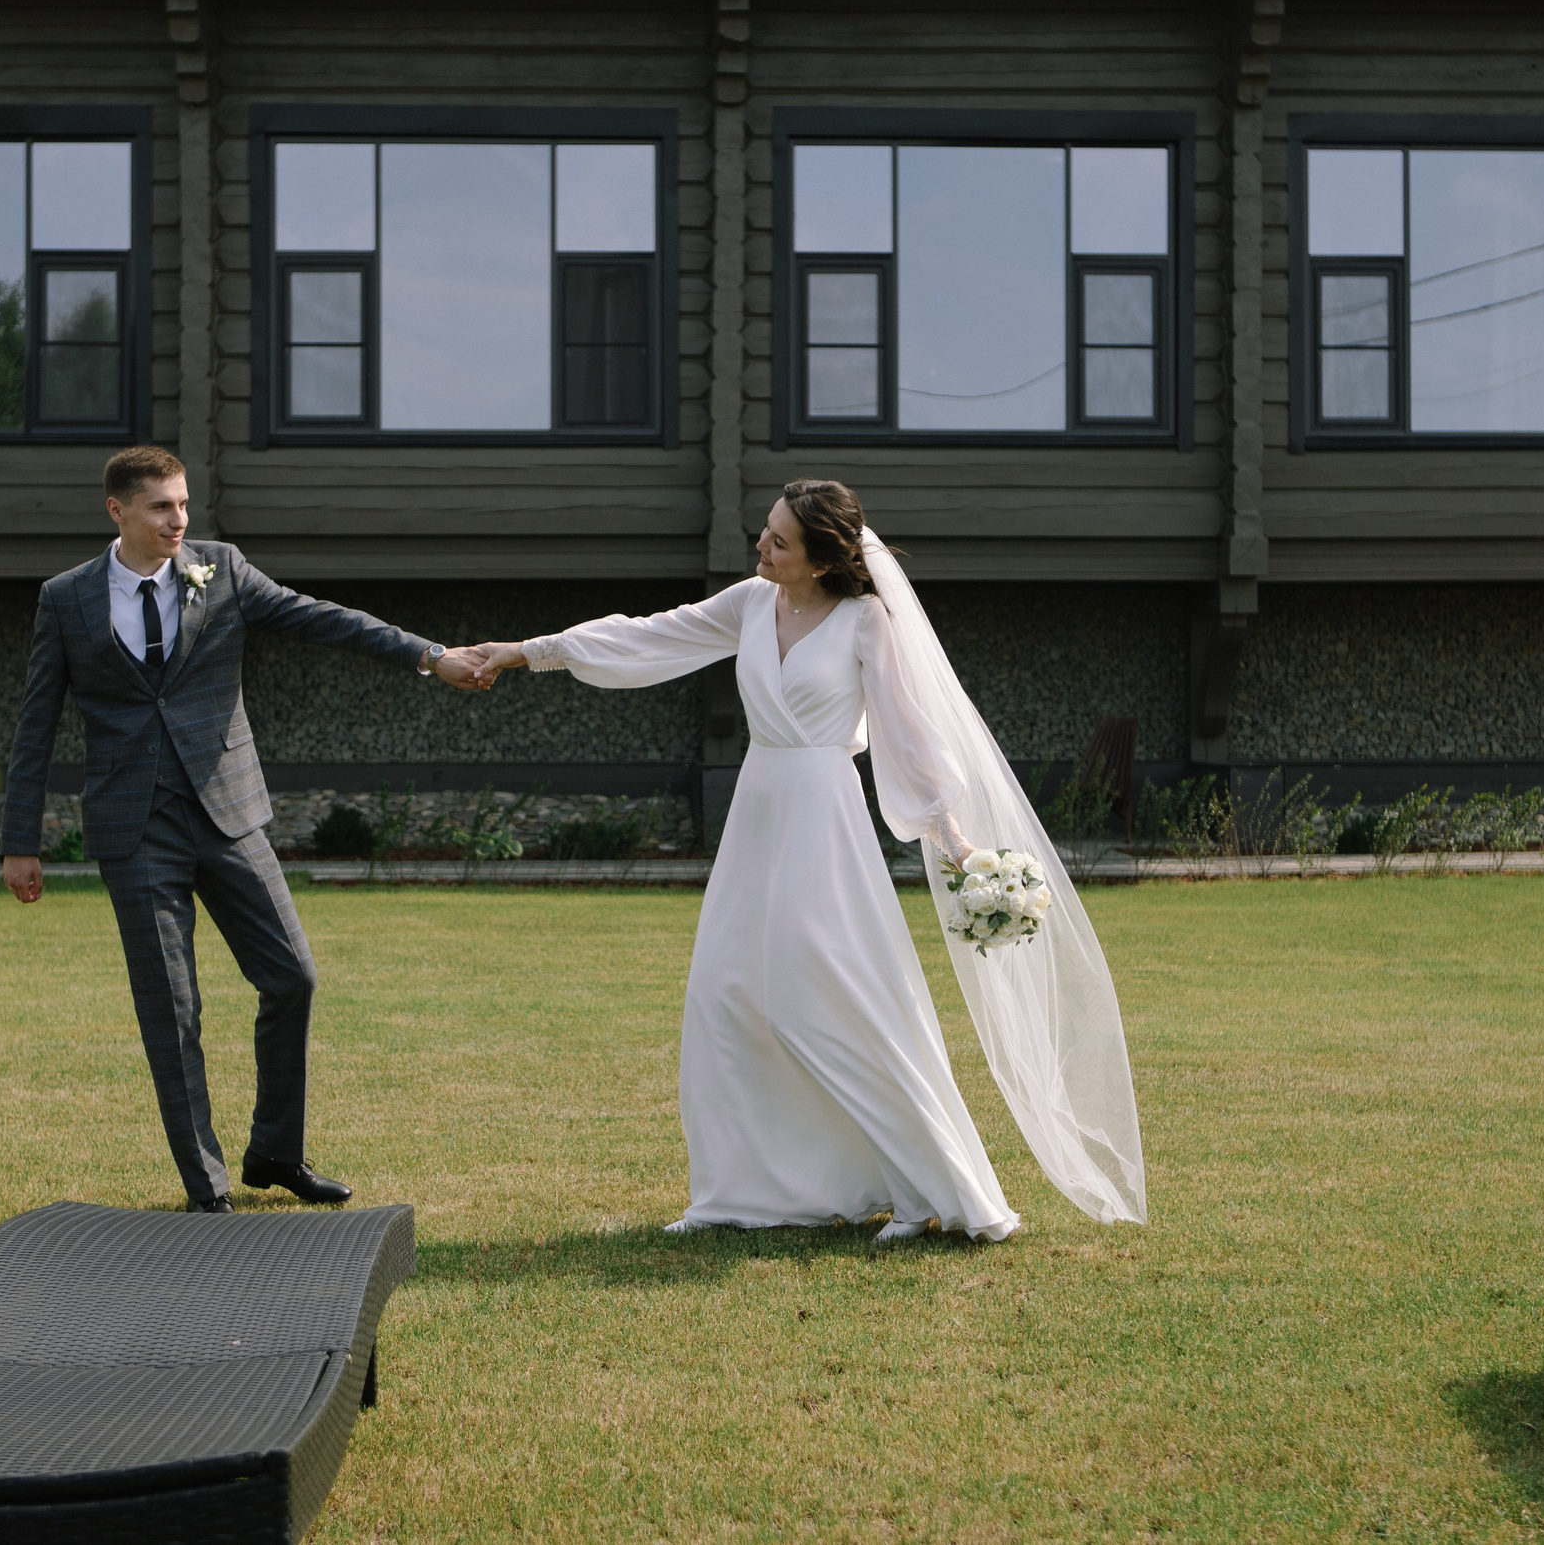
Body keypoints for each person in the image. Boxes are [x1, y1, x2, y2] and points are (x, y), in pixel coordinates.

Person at [474, 478, 1145, 1241]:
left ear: (823, 560)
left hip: (823, 820)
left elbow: (910, 735)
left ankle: (931, 1191)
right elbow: (646, 635)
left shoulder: (867, 623)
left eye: (778, 540)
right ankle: (740, 1192)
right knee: (724, 994)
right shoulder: (749, 603)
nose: (761, 546)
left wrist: (952, 838)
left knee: (822, 1000)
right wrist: (526, 653)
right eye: (765, 532)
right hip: (757, 812)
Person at [1, 445, 493, 1213]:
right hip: (134, 831)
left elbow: (324, 620)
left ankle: (276, 1152)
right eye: (162, 506)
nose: (179, 520)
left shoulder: (222, 569)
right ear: (117, 510)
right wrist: (19, 839)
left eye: (184, 503)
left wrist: (431, 656)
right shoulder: (66, 600)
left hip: (228, 814)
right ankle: (207, 1189)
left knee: (292, 975)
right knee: (173, 1009)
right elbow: (36, 724)